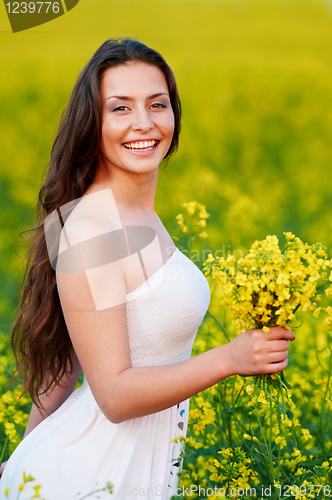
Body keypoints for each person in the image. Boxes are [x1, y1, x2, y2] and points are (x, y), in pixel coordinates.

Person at [0, 37, 295, 500]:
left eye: (157, 104)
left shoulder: (135, 216)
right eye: (120, 108)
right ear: (92, 122)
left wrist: (21, 456)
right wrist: (230, 359)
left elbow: (67, 362)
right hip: (88, 482)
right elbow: (115, 397)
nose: (144, 123)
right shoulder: (92, 229)